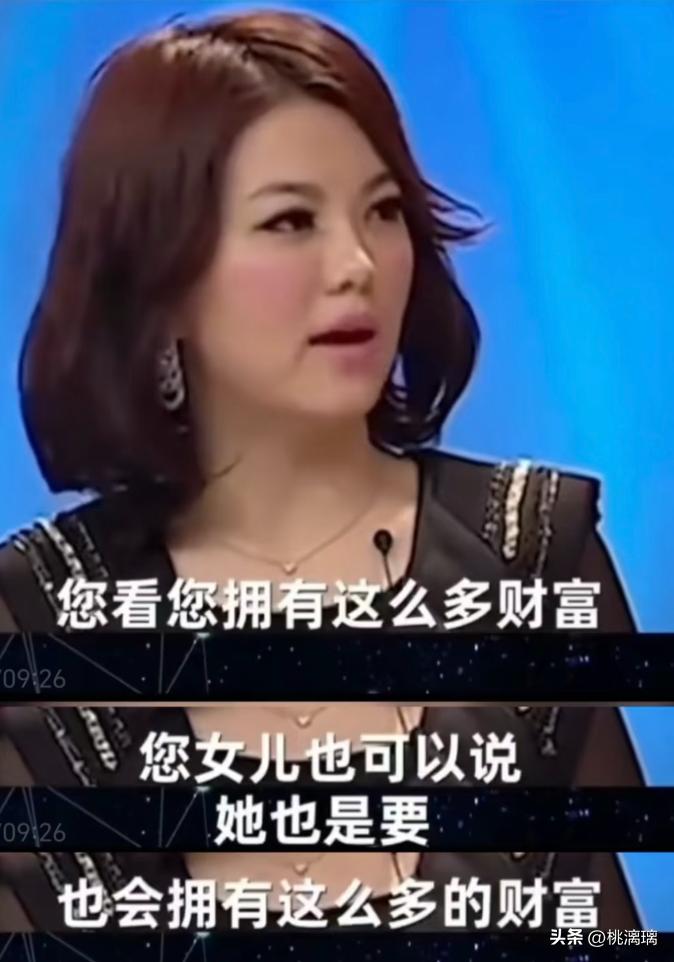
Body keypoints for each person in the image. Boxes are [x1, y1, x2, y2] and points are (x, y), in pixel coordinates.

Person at [0, 7, 642, 931]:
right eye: (290, 221)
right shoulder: (41, 615)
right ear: (160, 279)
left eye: (383, 212)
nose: (357, 265)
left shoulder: (528, 554)